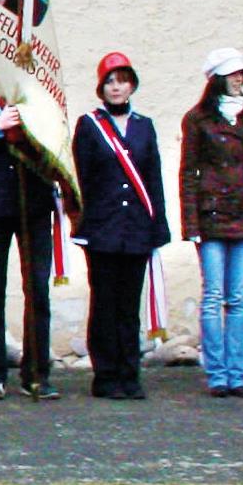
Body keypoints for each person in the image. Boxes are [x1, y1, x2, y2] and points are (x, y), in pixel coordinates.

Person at [0, 11, 62, 400]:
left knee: (37, 286)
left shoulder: (34, 81)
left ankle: (37, 372)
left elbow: (55, 131)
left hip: (33, 194)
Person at [73, 51, 171, 400]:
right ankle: (106, 374)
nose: (117, 88)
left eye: (122, 81)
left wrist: (158, 225)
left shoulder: (144, 126)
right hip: (102, 228)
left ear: (132, 86)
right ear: (102, 87)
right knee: (104, 303)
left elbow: (153, 178)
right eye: (110, 81)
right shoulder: (89, 126)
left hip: (136, 229)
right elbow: (82, 177)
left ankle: (130, 373)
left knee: (129, 304)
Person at [179, 48, 243, 398]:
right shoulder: (198, 119)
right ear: (217, 79)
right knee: (213, 295)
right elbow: (188, 172)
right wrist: (192, 223)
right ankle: (217, 373)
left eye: (241, 74)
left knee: (236, 298)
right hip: (211, 216)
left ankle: (237, 373)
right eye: (232, 74)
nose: (239, 79)